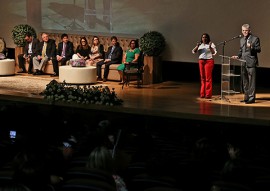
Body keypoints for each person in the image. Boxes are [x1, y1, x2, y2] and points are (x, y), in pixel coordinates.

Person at [231, 24, 261, 104]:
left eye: (246, 30)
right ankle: (246, 96)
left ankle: (252, 98)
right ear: (242, 31)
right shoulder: (241, 40)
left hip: (251, 63)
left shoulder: (255, 39)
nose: (245, 32)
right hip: (243, 62)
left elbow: (258, 49)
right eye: (243, 30)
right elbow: (241, 50)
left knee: (251, 81)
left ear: (249, 31)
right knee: (245, 81)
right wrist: (238, 56)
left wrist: (251, 47)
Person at [192, 33, 217, 99]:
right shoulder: (200, 45)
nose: (204, 38)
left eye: (205, 37)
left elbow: (214, 53)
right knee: (202, 78)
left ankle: (208, 94)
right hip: (201, 61)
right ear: (201, 38)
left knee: (208, 78)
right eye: (203, 37)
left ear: (208, 38)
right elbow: (194, 51)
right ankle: (202, 94)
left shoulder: (211, 44)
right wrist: (197, 46)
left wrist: (210, 47)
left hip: (209, 61)